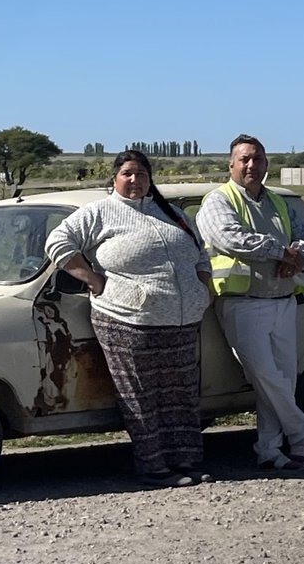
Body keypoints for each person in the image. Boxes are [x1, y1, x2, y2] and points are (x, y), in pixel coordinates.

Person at [44, 149, 213, 488]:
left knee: (180, 391)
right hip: (127, 319)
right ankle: (154, 468)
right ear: (115, 178)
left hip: (181, 321)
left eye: (141, 174)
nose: (135, 180)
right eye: (128, 174)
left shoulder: (173, 213)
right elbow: (57, 242)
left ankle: (187, 461)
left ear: (151, 178)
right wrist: (92, 279)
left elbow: (200, 252)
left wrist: (202, 287)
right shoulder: (101, 212)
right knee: (141, 394)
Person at [197, 134, 304, 471]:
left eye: (257, 159)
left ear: (266, 165)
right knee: (263, 374)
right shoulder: (218, 201)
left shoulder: (278, 202)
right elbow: (230, 238)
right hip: (242, 302)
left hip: (283, 298)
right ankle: (299, 428)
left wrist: (297, 256)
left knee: (281, 379)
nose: (251, 165)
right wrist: (280, 252)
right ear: (230, 164)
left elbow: (302, 235)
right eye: (244, 159)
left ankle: (270, 449)